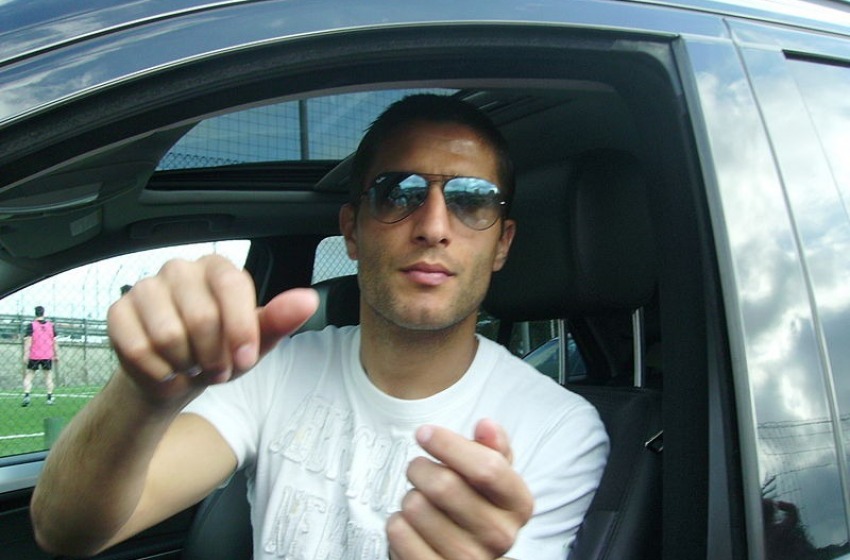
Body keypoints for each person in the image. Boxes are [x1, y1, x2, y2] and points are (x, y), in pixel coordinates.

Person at [31, 94, 609, 559]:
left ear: (502, 243)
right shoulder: (277, 371)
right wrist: (141, 394)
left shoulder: (559, 428)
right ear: (352, 231)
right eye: (399, 193)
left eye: (471, 200)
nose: (434, 226)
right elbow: (65, 530)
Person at [22, 305, 59, 407]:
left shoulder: (31, 325)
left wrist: (26, 354)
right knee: (48, 376)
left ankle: (27, 395)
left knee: (29, 376)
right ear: (43, 313)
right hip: (47, 355)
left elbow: (28, 340)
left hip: (34, 355)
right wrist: (56, 354)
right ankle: (49, 397)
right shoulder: (51, 326)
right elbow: (55, 341)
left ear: (35, 313)